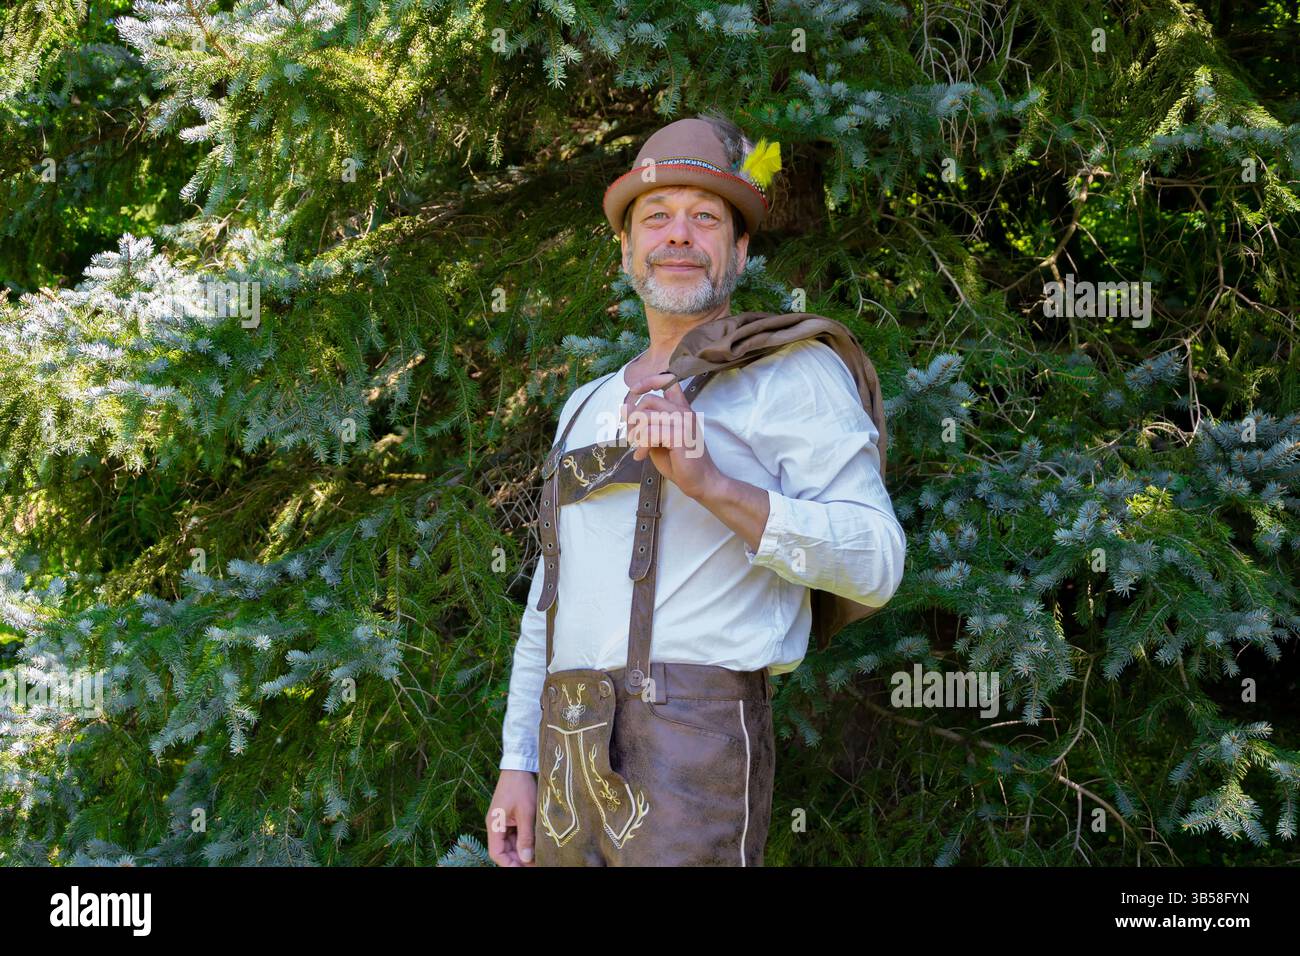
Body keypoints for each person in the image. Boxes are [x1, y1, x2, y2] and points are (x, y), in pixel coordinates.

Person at [485, 112, 906, 866]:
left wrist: (710, 483)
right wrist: (520, 760)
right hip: (566, 746)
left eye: (705, 217)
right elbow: (550, 600)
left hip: (696, 741)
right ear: (626, 248)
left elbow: (876, 559)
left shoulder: (791, 372)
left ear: (740, 250)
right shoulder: (584, 406)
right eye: (657, 217)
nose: (678, 235)